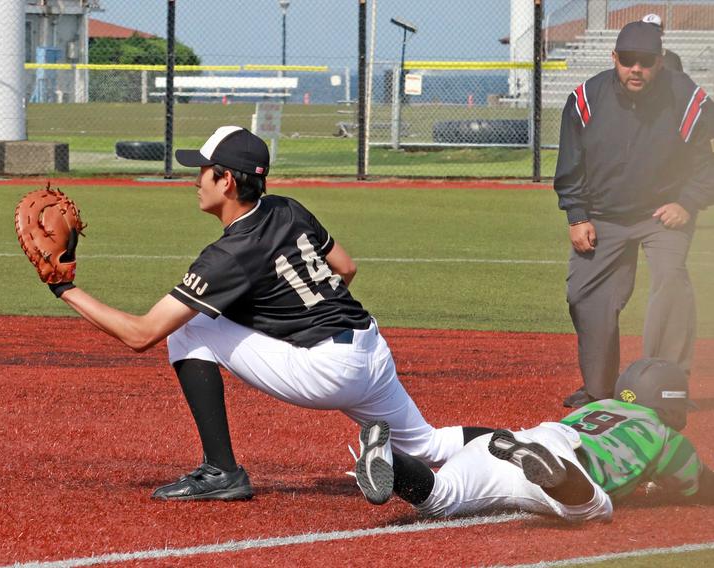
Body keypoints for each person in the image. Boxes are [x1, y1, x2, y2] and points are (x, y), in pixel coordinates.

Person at [44, 125, 490, 501]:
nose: (195, 179)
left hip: (326, 370)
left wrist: (62, 287)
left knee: (189, 331)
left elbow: (141, 334)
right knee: (428, 443)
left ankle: (222, 472)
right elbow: (345, 268)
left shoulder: (228, 254)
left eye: (203, 170)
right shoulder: (287, 207)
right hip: (370, 348)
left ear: (227, 182)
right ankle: (524, 442)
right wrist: (289, 316)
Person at [553, 21, 714, 408]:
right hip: (603, 214)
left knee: (671, 282)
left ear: (660, 62)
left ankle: (664, 385)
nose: (636, 69)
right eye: (627, 60)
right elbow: (570, 165)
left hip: (663, 213)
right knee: (585, 295)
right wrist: (577, 216)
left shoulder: (689, 100)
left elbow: (706, 161)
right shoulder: (586, 99)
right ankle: (598, 388)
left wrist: (688, 201)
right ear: (614, 59)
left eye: (645, 61)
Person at [357, 358, 713, 522]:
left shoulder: (600, 405)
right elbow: (698, 485)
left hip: (525, 438)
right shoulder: (666, 437)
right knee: (594, 507)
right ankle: (555, 475)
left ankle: (390, 459)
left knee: (440, 496)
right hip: (571, 462)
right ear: (669, 401)